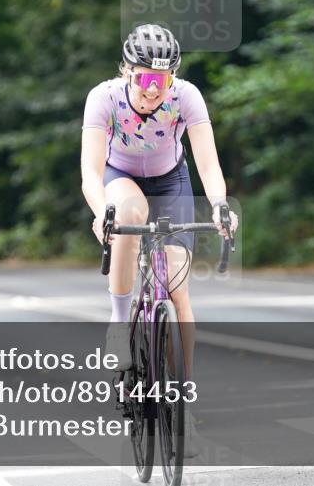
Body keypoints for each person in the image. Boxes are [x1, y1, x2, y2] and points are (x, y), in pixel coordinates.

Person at [80, 23, 238, 456]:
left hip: (171, 181)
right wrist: (102, 213)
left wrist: (220, 205)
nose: (153, 90)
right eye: (146, 78)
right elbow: (91, 172)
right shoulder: (104, 98)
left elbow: (207, 161)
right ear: (127, 72)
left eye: (162, 80)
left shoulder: (185, 97)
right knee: (130, 214)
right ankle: (119, 322)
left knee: (178, 292)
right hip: (121, 177)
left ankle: (182, 404)